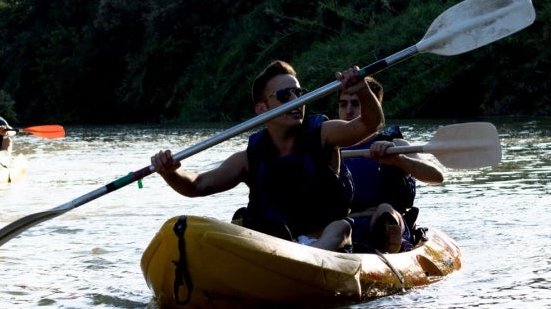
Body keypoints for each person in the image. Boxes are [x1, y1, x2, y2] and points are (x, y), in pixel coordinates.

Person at [151, 60, 384, 252]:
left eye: (298, 93)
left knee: (340, 227)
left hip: (327, 248)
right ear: (262, 109)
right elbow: (197, 185)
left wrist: (361, 89)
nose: (296, 101)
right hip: (276, 250)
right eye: (284, 95)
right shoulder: (248, 158)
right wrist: (171, 172)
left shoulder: (323, 134)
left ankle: (307, 262)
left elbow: (371, 124)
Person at [339, 78, 444, 253]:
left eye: (356, 104)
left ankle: (388, 247)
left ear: (374, 106)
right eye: (343, 104)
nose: (349, 111)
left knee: (385, 211)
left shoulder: (396, 143)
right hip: (344, 225)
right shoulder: (331, 145)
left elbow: (436, 177)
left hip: (387, 221)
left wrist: (399, 159)